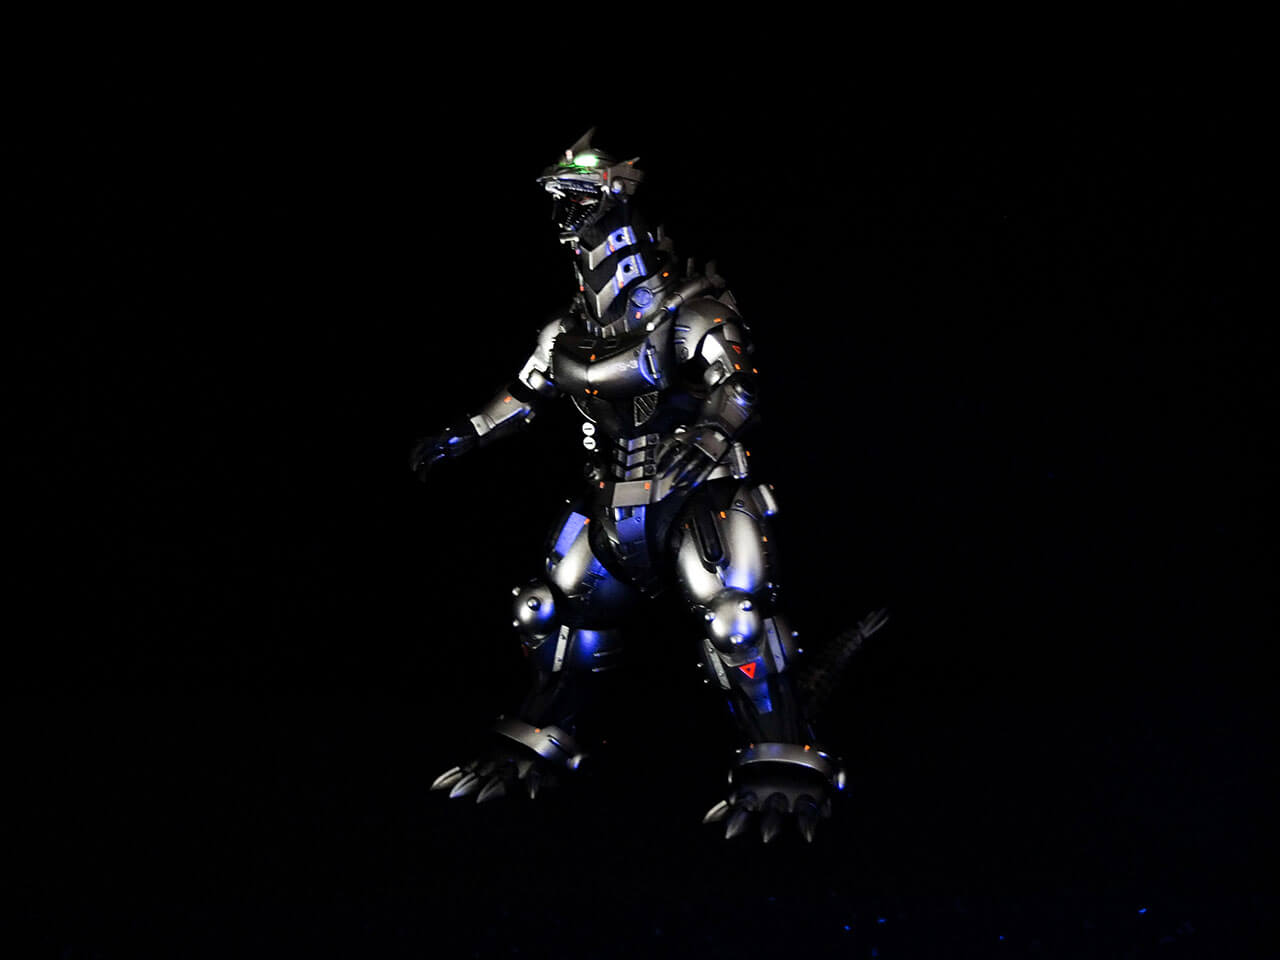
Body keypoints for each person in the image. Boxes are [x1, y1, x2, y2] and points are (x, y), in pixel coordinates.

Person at [414, 129, 845, 842]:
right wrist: (464, 432)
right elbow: (524, 395)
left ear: (616, 200)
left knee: (734, 620)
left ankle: (782, 759)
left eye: (578, 197)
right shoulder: (567, 331)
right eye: (561, 200)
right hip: (611, 497)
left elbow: (738, 389)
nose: (566, 214)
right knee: (543, 610)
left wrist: (709, 436)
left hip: (697, 494)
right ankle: (540, 741)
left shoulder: (692, 313)